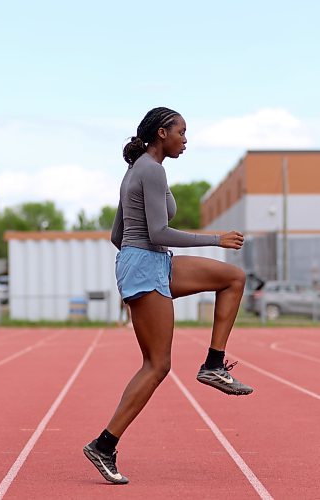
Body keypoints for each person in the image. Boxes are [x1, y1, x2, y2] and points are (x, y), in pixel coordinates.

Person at [83, 107, 253, 485]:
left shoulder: (138, 170)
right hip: (147, 264)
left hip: (152, 262)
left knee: (232, 278)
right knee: (157, 365)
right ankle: (103, 444)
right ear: (163, 132)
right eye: (182, 132)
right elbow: (158, 232)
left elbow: (117, 235)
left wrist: (140, 256)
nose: (186, 140)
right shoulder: (150, 169)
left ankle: (213, 363)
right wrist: (216, 239)